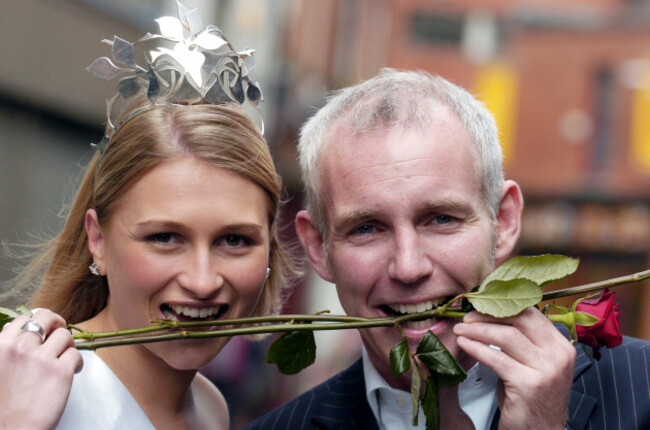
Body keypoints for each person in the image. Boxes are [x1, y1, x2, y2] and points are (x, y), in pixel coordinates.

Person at [244, 69, 650, 430]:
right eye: (367, 228)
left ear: (503, 221)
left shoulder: (642, 390)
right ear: (317, 246)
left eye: (441, 219)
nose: (408, 267)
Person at [0, 4, 297, 429]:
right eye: (164, 237)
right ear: (97, 240)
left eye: (234, 240)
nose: (202, 281)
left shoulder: (210, 408)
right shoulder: (20, 387)